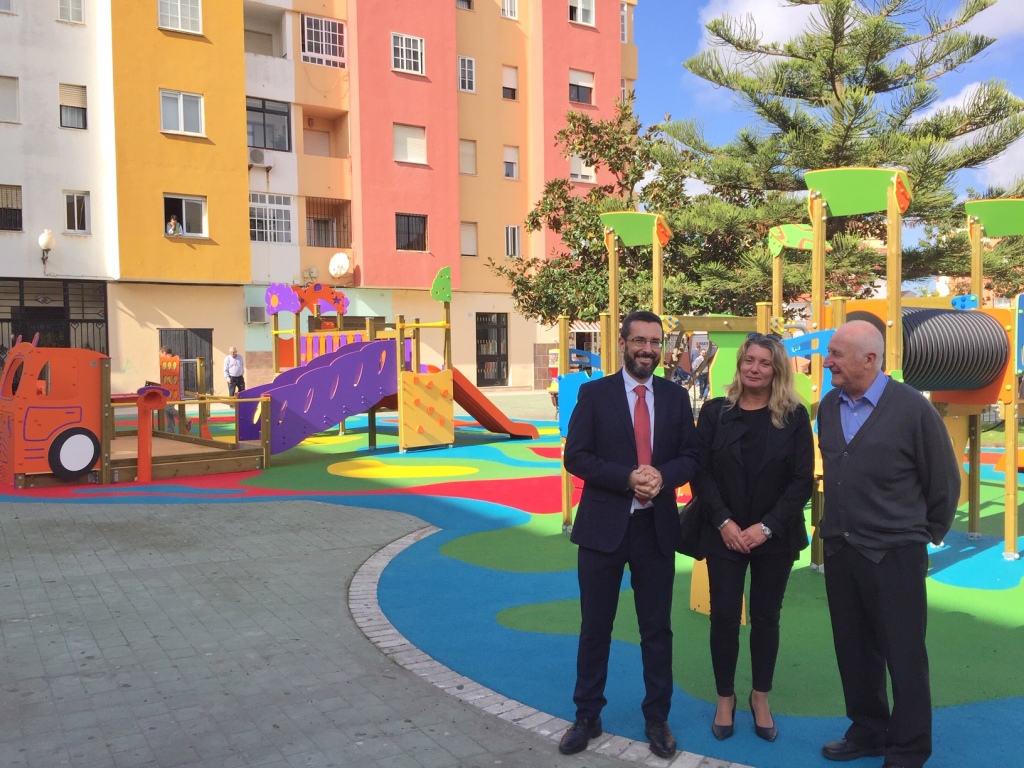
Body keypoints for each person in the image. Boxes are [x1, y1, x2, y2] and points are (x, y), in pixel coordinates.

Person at [817, 320, 959, 768]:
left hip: (896, 554)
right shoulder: (827, 406)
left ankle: (909, 747)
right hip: (841, 549)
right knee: (853, 650)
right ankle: (868, 730)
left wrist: (921, 533)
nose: (827, 362)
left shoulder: (913, 409)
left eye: (837, 354)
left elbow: (944, 483)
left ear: (870, 360)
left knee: (904, 654)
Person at [558, 310, 700, 760]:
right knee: (595, 627)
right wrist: (627, 478)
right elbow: (575, 457)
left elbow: (692, 456)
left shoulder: (676, 398)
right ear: (622, 344)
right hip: (603, 529)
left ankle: (657, 719)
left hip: (655, 530)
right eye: (639, 341)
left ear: (663, 347)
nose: (647, 350)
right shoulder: (594, 394)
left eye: (655, 342)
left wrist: (662, 476)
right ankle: (587, 715)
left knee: (657, 630)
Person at [693, 333, 814, 743]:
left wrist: (765, 528)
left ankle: (760, 696)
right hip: (723, 533)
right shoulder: (715, 413)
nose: (754, 369)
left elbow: (801, 481)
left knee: (766, 617)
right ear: (740, 364)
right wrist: (725, 522)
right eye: (749, 360)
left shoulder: (795, 416)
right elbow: (701, 473)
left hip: (773, 536)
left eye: (764, 362)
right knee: (724, 616)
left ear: (776, 369)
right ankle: (725, 697)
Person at [158, 346, 191, 434]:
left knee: (168, 408)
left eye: (161, 354)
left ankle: (186, 421)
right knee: (167, 409)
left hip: (174, 390)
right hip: (169, 389)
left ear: (164, 353)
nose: (160, 356)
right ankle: (170, 430)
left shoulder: (174, 360)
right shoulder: (167, 363)